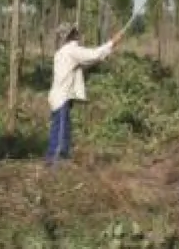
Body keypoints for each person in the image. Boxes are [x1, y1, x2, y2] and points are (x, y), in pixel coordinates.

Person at [45, 22, 122, 165]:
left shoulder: (62, 52)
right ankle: (56, 163)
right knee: (61, 131)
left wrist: (109, 48)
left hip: (59, 97)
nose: (77, 33)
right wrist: (113, 43)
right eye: (75, 31)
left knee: (60, 128)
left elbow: (87, 61)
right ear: (72, 35)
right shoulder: (71, 50)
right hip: (61, 97)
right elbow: (94, 55)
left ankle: (54, 160)